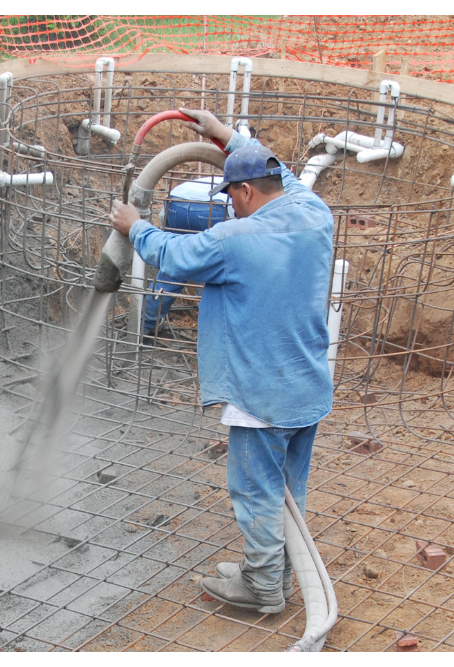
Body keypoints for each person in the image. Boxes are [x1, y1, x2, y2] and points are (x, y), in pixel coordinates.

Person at [108, 107, 334, 614]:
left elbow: (174, 256)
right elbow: (284, 174)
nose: (230, 204)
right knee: (288, 492)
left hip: (260, 393)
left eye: (231, 195)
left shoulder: (236, 241)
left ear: (246, 192)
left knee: (255, 492)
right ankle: (277, 572)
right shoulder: (314, 212)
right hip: (307, 385)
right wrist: (225, 136)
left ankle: (262, 587)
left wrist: (135, 226)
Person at [142, 176, 232, 342]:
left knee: (174, 265)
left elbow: (164, 222)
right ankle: (213, 333)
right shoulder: (268, 193)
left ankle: (146, 323)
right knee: (215, 268)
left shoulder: (233, 178)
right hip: (216, 208)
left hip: (175, 202)